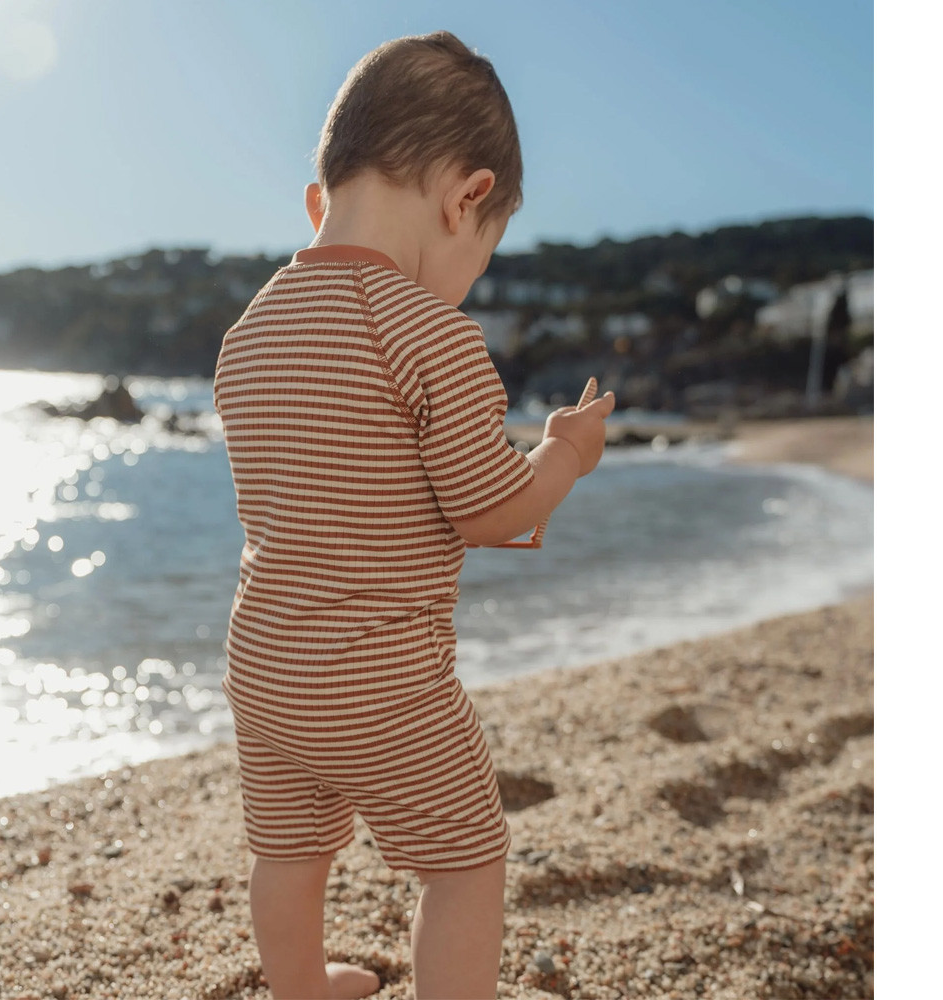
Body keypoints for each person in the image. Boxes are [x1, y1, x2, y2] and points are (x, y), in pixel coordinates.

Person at [212, 30, 616, 999]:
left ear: (320, 200)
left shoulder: (249, 330)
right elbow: (488, 508)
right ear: (464, 197)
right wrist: (564, 454)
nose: (470, 274)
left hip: (265, 665)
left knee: (290, 849)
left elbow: (317, 489)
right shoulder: (430, 332)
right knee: (465, 856)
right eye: (482, 249)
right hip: (379, 676)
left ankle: (302, 989)